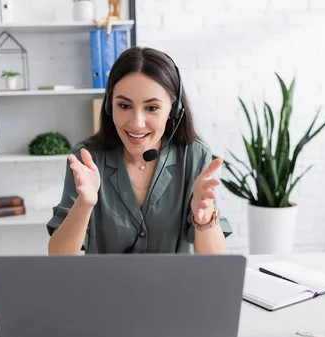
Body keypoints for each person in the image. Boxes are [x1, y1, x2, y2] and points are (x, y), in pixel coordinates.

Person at [47, 46, 232, 254]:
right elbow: (58, 256)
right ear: (109, 107)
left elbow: (213, 261)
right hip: (106, 286)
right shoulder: (87, 159)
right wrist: (84, 205)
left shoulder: (194, 155)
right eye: (124, 106)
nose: (136, 123)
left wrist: (205, 215)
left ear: (174, 110)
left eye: (152, 108)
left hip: (174, 286)